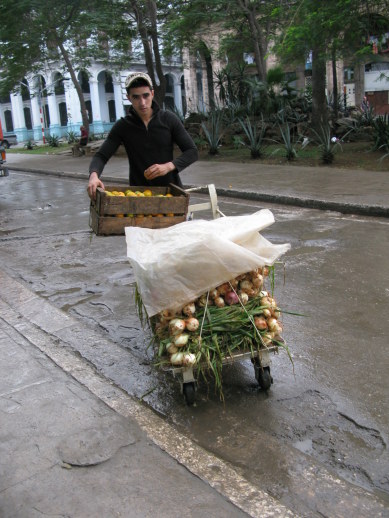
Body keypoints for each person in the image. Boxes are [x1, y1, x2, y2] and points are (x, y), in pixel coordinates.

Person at [87, 72, 198, 200]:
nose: (142, 102)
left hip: (171, 194)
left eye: (146, 95)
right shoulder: (123, 126)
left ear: (152, 93)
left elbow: (192, 151)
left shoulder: (168, 119)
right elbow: (101, 156)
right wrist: (93, 176)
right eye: (136, 97)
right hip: (138, 196)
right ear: (128, 98)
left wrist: (168, 166)